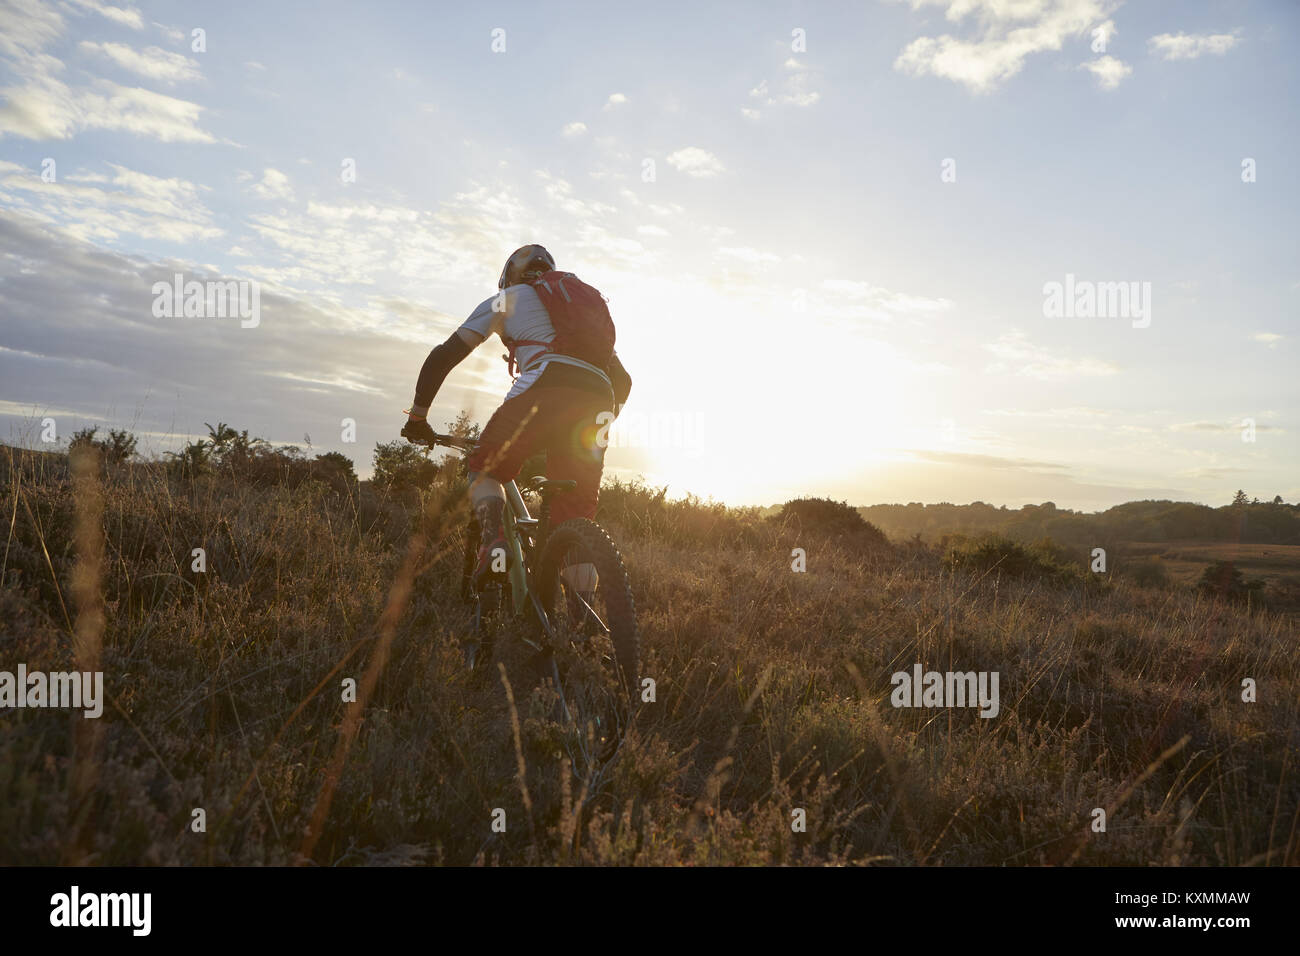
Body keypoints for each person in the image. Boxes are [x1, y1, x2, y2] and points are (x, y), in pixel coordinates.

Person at [401, 244, 632, 590]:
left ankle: (495, 544)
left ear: (509, 276)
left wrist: (418, 418)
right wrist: (597, 418)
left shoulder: (508, 298)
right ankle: (584, 636)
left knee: (485, 466)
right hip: (598, 399)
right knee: (574, 517)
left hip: (546, 384)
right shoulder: (576, 312)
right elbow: (624, 382)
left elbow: (444, 356)